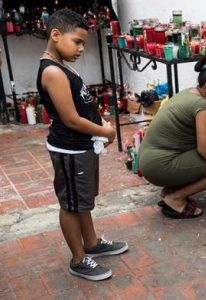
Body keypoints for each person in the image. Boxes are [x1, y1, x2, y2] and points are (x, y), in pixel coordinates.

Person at [37, 9, 128, 281]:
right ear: (55, 35)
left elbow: (82, 103)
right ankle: (78, 259)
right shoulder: (52, 71)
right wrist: (105, 132)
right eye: (77, 41)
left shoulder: (62, 65)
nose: (81, 48)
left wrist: (101, 127)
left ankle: (91, 242)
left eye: (83, 43)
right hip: (70, 149)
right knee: (70, 204)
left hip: (82, 147)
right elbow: (71, 119)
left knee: (82, 201)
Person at [138, 56, 206, 219]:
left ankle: (170, 191)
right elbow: (205, 153)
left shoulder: (189, 93)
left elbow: (188, 129)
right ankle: (176, 198)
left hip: (149, 160)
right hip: (159, 165)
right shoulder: (203, 107)